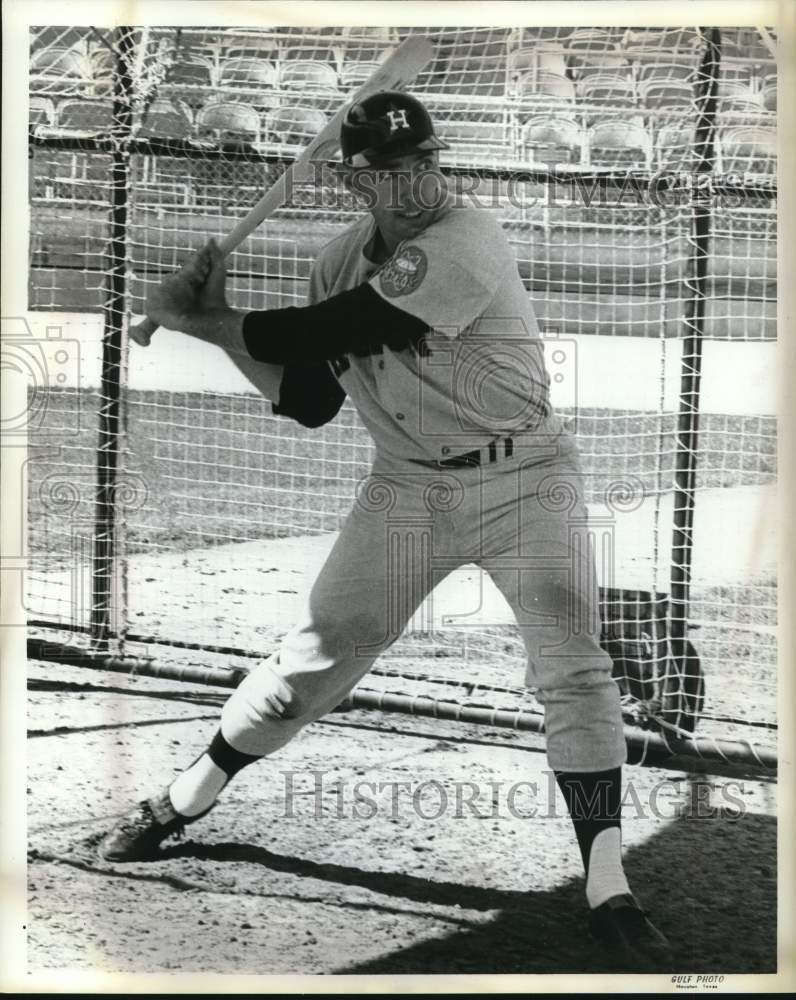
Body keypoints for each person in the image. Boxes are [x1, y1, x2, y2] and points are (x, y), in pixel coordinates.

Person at [98, 91, 671, 969]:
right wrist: (216, 331)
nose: (416, 183)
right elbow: (312, 399)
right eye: (391, 173)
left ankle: (608, 890)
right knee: (309, 667)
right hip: (407, 490)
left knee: (574, 669)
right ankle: (185, 798)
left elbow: (359, 323)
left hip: (528, 478)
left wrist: (202, 318)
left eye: (424, 162)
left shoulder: (466, 236)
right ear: (353, 182)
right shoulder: (334, 263)